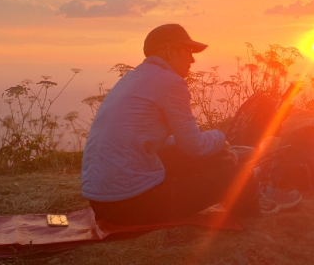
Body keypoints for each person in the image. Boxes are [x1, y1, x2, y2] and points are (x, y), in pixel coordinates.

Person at [81, 24, 298, 225]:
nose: (192, 60)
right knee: (233, 175)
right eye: (188, 52)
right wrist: (221, 138)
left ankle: (247, 185)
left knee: (214, 156)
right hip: (131, 205)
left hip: (101, 203)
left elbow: (162, 141)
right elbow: (195, 146)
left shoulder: (132, 79)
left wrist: (215, 149)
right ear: (170, 52)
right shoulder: (170, 82)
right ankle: (255, 202)